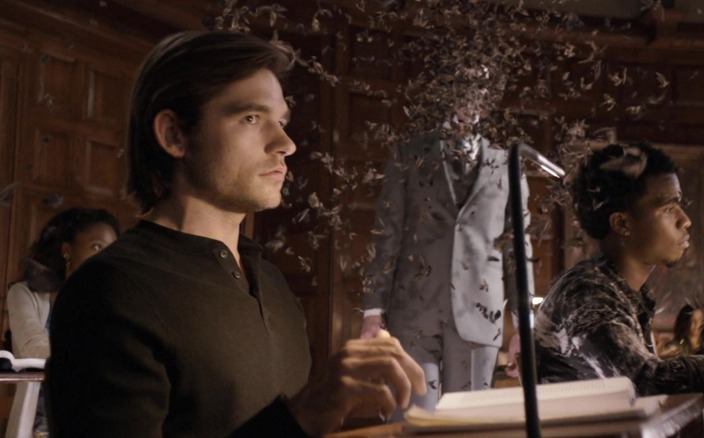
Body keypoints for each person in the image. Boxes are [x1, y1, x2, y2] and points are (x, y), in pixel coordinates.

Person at [46, 30, 425, 437]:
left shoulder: (273, 284)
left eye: (280, 121)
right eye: (251, 118)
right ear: (175, 135)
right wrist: (303, 416)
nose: (286, 143)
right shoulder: (108, 292)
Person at [534, 142, 704, 398]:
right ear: (622, 223)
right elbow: (650, 382)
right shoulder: (587, 294)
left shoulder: (625, 293)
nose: (685, 220)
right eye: (668, 208)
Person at [360, 64, 534, 412]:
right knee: (412, 422)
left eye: (477, 90)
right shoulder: (408, 154)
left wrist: (525, 325)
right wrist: (372, 311)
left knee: (469, 427)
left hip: (480, 315)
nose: (469, 98)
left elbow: (518, 246)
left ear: (486, 99)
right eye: (459, 87)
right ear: (443, 94)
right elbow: (387, 232)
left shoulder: (506, 163)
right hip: (413, 313)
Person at [7, 207, 119, 435]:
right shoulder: (24, 294)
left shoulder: (111, 303)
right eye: (96, 246)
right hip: (38, 427)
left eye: (111, 250)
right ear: (67, 250)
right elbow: (34, 349)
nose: (105, 258)